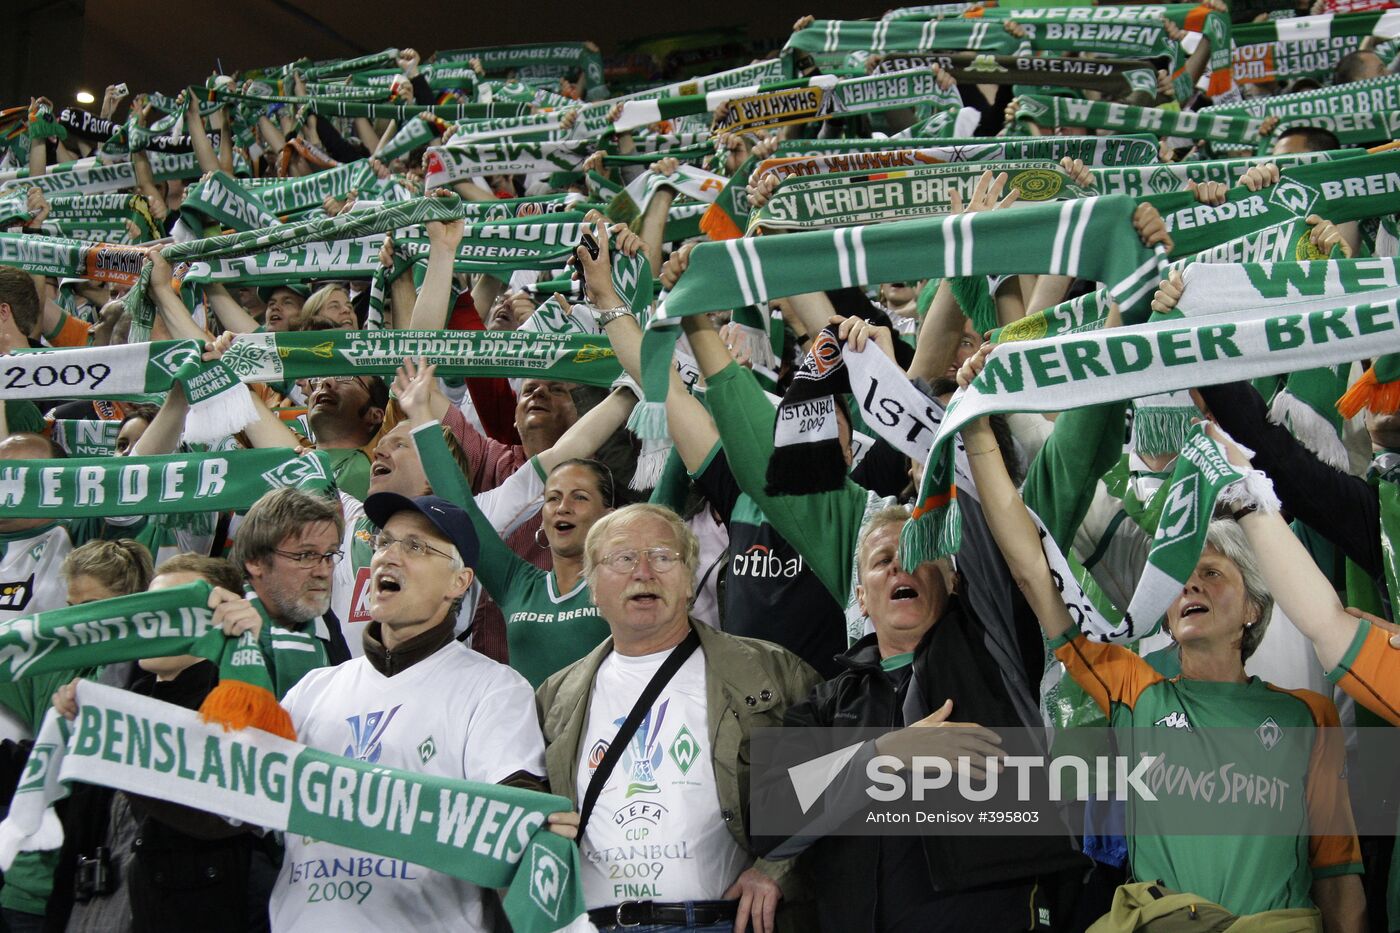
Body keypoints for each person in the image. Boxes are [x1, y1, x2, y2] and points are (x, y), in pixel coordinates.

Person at [958, 346, 1366, 927]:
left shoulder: (1308, 718)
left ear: (1254, 606)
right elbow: (1031, 570)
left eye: (1212, 574)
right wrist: (977, 428)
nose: (1189, 588)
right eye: (1179, 578)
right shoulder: (1135, 692)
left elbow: (1338, 876)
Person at [209, 492, 569, 932]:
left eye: (416, 547)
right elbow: (230, 803)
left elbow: (515, 833)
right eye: (384, 541)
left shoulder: (493, 690)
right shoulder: (314, 690)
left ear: (459, 582)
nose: (388, 556)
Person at [536, 503, 822, 932]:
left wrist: (777, 868)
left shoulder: (768, 673)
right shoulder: (555, 698)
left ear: (690, 579)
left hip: (721, 923)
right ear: (592, 586)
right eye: (622, 558)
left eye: (663, 556)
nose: (644, 571)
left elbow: (839, 780)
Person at [400, 358, 639, 687]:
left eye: (580, 497)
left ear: (608, 515)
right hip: (521, 731)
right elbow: (462, 510)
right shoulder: (517, 583)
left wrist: (639, 384)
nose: (563, 507)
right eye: (552, 498)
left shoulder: (630, 580)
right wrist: (420, 418)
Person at [229, 486, 346, 666]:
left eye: (329, 555)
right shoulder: (218, 634)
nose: (323, 571)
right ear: (255, 561)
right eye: (306, 555)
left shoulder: (325, 622)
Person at [303, 374, 388, 500]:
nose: (326, 382)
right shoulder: (296, 456)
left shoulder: (380, 456)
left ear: (375, 415)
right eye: (317, 381)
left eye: (346, 378)